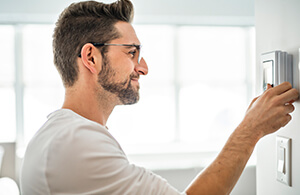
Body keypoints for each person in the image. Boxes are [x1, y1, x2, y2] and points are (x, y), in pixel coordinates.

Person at [20, 0, 299, 194]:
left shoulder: (60, 135)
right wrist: (250, 130)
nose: (143, 67)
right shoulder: (75, 142)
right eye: (131, 52)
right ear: (91, 57)